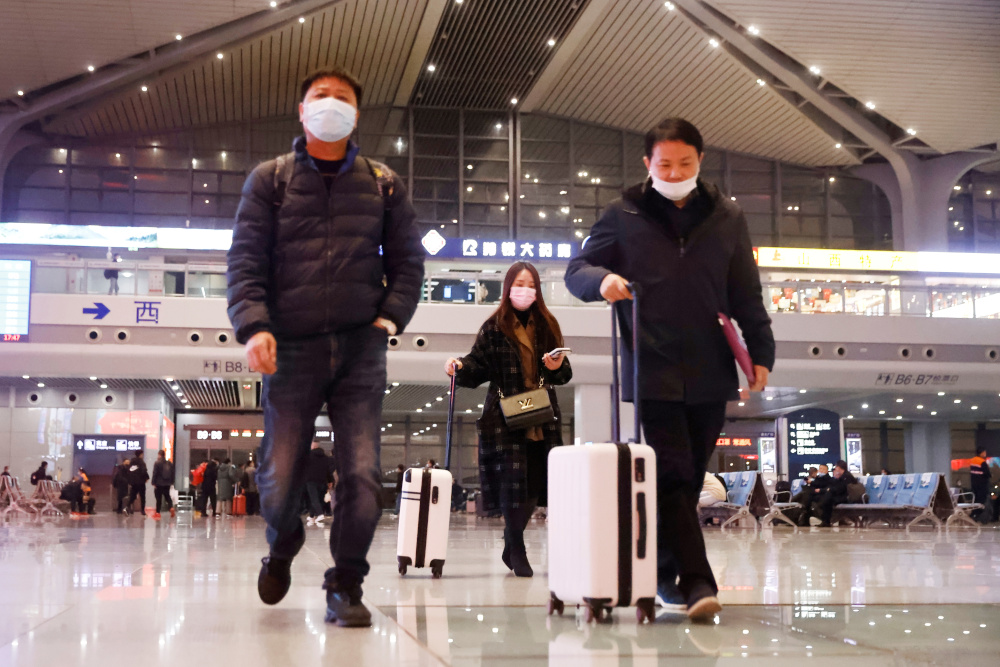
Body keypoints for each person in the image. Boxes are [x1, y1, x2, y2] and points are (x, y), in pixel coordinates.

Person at [226, 65, 424, 627]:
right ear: (302, 110)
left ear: (356, 115)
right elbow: (245, 261)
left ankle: (346, 585)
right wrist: (255, 326)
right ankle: (283, 544)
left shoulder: (383, 182)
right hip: (291, 348)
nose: (330, 105)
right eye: (320, 97)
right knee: (279, 479)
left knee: (363, 476)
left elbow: (409, 262)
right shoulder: (272, 179)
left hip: (362, 348)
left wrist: (388, 320)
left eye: (342, 99)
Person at [564, 118, 775, 622]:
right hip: (651, 363)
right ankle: (699, 580)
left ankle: (661, 573)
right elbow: (577, 271)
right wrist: (605, 279)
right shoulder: (624, 213)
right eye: (665, 164)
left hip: (711, 365)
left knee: (683, 477)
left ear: (700, 162)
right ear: (647, 164)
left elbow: (746, 292)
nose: (675, 171)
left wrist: (760, 353)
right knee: (675, 473)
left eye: (685, 163)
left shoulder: (727, 216)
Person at [445, 261, 573, 578]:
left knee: (534, 481)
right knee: (511, 482)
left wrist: (555, 367)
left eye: (531, 284)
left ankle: (510, 539)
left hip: (541, 412)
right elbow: (476, 366)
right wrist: (457, 366)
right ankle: (517, 546)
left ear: (538, 290)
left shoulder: (547, 324)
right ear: (508, 288)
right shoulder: (494, 326)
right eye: (519, 283)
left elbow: (564, 374)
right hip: (504, 413)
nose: (525, 289)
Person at [814, 460, 857, 527]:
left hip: (847, 497)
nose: (835, 468)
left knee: (828, 499)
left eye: (836, 467)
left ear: (840, 467)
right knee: (828, 497)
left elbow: (841, 489)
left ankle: (826, 521)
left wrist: (830, 490)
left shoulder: (847, 477)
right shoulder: (841, 476)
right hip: (841, 495)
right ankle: (826, 520)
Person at [306, 442, 333, 526]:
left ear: (313, 447)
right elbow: (328, 470)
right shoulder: (325, 457)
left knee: (313, 498)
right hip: (322, 481)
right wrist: (330, 481)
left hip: (311, 480)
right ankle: (312, 516)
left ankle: (320, 514)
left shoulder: (308, 456)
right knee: (318, 499)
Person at [151, 450, 175, 519]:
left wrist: (153, 482)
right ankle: (171, 507)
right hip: (167, 483)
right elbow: (172, 473)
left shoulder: (157, 463)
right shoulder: (169, 463)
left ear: (159, 455)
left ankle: (158, 513)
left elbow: (155, 473)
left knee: (158, 498)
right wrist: (171, 482)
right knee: (167, 496)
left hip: (159, 483)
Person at [127, 451, 150, 516]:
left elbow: (129, 471)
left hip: (134, 482)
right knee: (142, 497)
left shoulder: (132, 462)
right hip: (141, 482)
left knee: (132, 496)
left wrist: (130, 480)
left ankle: (127, 507)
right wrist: (147, 477)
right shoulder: (141, 462)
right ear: (140, 455)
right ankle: (142, 510)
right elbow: (143, 471)